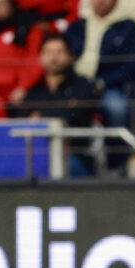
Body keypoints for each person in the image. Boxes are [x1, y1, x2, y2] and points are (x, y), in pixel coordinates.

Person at [66, 0, 135, 129]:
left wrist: (103, 82)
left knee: (117, 109)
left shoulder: (129, 28)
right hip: (74, 84)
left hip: (109, 86)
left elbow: (134, 66)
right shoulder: (76, 27)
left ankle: (120, 152)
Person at [15, 34, 98, 176]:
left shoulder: (83, 86)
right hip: (38, 155)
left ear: (70, 56)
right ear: (41, 57)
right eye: (48, 52)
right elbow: (22, 119)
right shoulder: (34, 91)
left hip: (74, 155)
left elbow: (77, 115)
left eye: (59, 52)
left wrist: (41, 116)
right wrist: (63, 110)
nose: (54, 58)